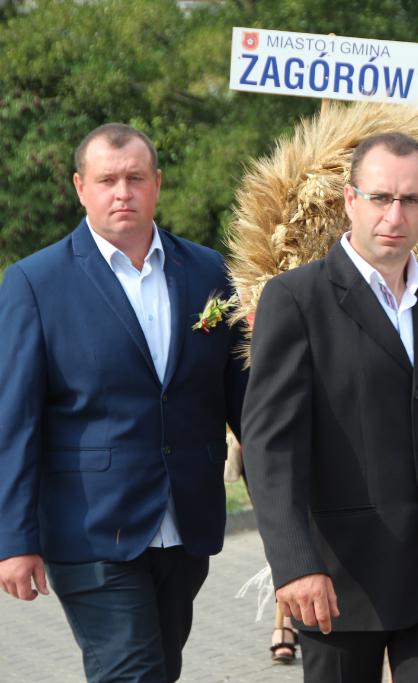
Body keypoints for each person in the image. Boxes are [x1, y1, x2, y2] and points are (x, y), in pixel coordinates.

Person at [240, 132, 418, 683]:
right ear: (350, 200)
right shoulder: (296, 299)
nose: (395, 214)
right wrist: (296, 566)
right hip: (344, 581)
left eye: (411, 200)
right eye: (380, 198)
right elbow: (270, 449)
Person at [0, 123, 249, 683]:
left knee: (161, 669)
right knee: (130, 673)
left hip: (187, 524)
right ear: (79, 187)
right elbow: (14, 422)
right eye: (107, 179)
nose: (123, 192)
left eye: (135, 178)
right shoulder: (35, 283)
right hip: (90, 529)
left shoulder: (210, 272)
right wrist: (14, 540)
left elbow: (246, 401)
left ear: (157, 184)